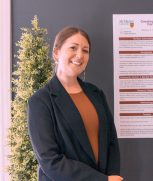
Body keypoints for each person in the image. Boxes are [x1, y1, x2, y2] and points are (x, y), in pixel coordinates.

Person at [27, 27, 123, 181]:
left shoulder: (96, 94)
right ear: (57, 52)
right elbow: (50, 161)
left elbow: (111, 141)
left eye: (85, 50)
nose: (80, 55)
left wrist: (112, 176)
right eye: (73, 48)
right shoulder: (40, 101)